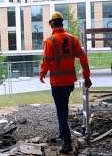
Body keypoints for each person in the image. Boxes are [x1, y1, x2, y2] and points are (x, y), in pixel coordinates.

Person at [39, 12, 92, 154]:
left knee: (61, 112)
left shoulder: (49, 41)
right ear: (62, 24)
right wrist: (86, 77)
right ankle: (63, 134)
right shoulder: (73, 39)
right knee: (64, 108)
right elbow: (83, 58)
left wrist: (42, 73)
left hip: (57, 83)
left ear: (51, 25)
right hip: (69, 82)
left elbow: (46, 61)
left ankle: (67, 142)